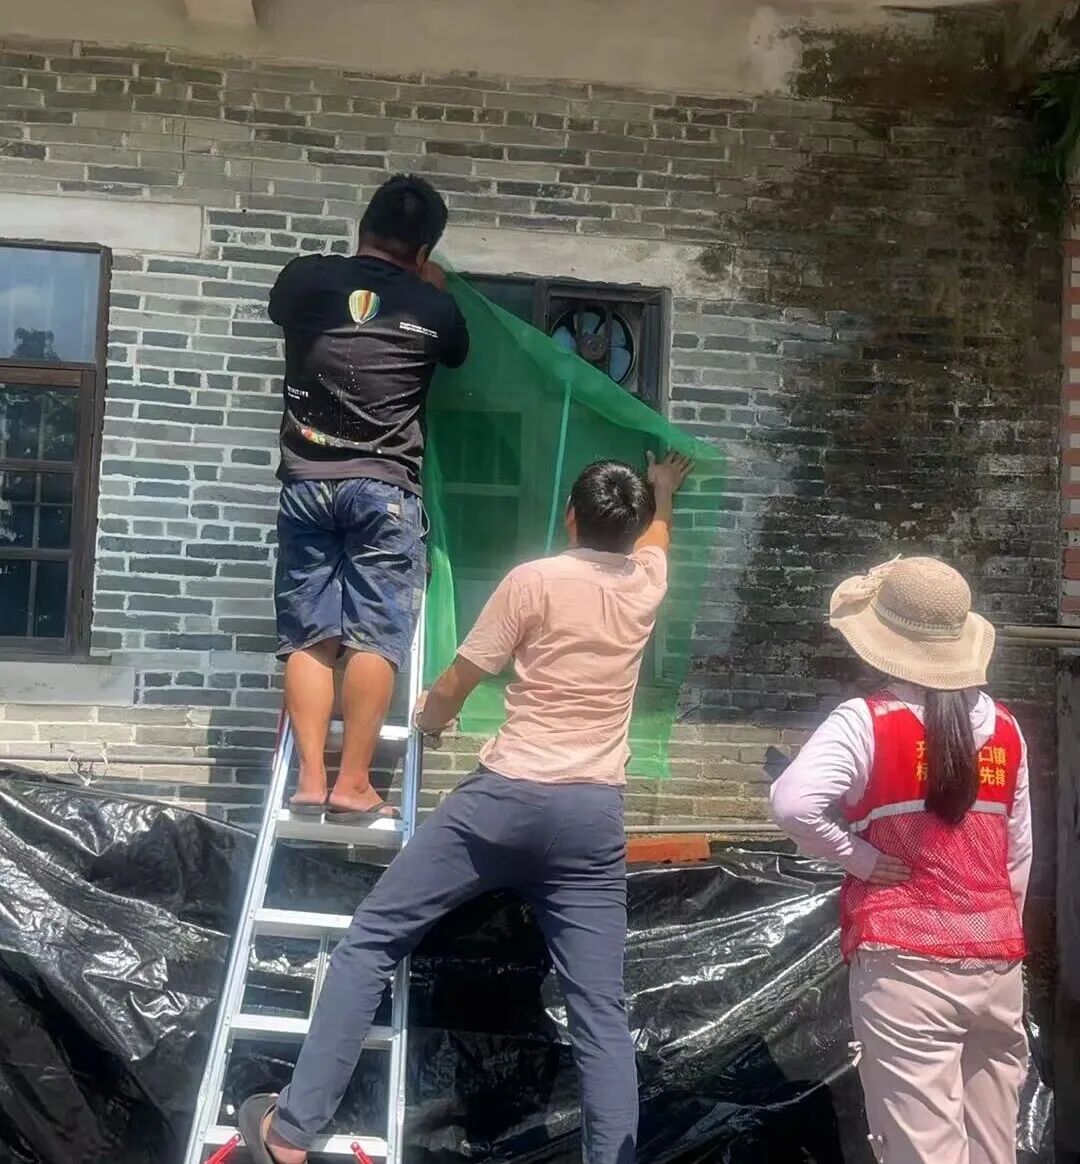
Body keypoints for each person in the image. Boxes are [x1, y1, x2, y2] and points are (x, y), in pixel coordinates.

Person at [238, 451, 694, 1164]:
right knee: (600, 1012)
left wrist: (427, 717)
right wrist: (664, 492)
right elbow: (657, 540)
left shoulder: (534, 581)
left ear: (570, 517)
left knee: (372, 939)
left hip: (504, 804)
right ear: (631, 530)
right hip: (591, 817)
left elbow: (459, 679)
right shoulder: (645, 584)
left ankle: (291, 1132)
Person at [769, 556, 1032, 1164]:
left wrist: (857, 857)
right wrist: (996, 933)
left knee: (923, 1152)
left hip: (906, 966)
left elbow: (792, 804)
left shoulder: (865, 722)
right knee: (995, 1146)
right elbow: (1018, 855)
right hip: (996, 962)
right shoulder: (1007, 730)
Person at [269, 174, 469, 822]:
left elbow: (283, 308)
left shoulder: (305, 280)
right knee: (374, 638)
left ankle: (309, 780)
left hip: (306, 483)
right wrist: (430, 285)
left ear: (363, 227)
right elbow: (457, 354)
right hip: (385, 489)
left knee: (309, 636)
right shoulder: (434, 308)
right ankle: (353, 784)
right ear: (424, 250)